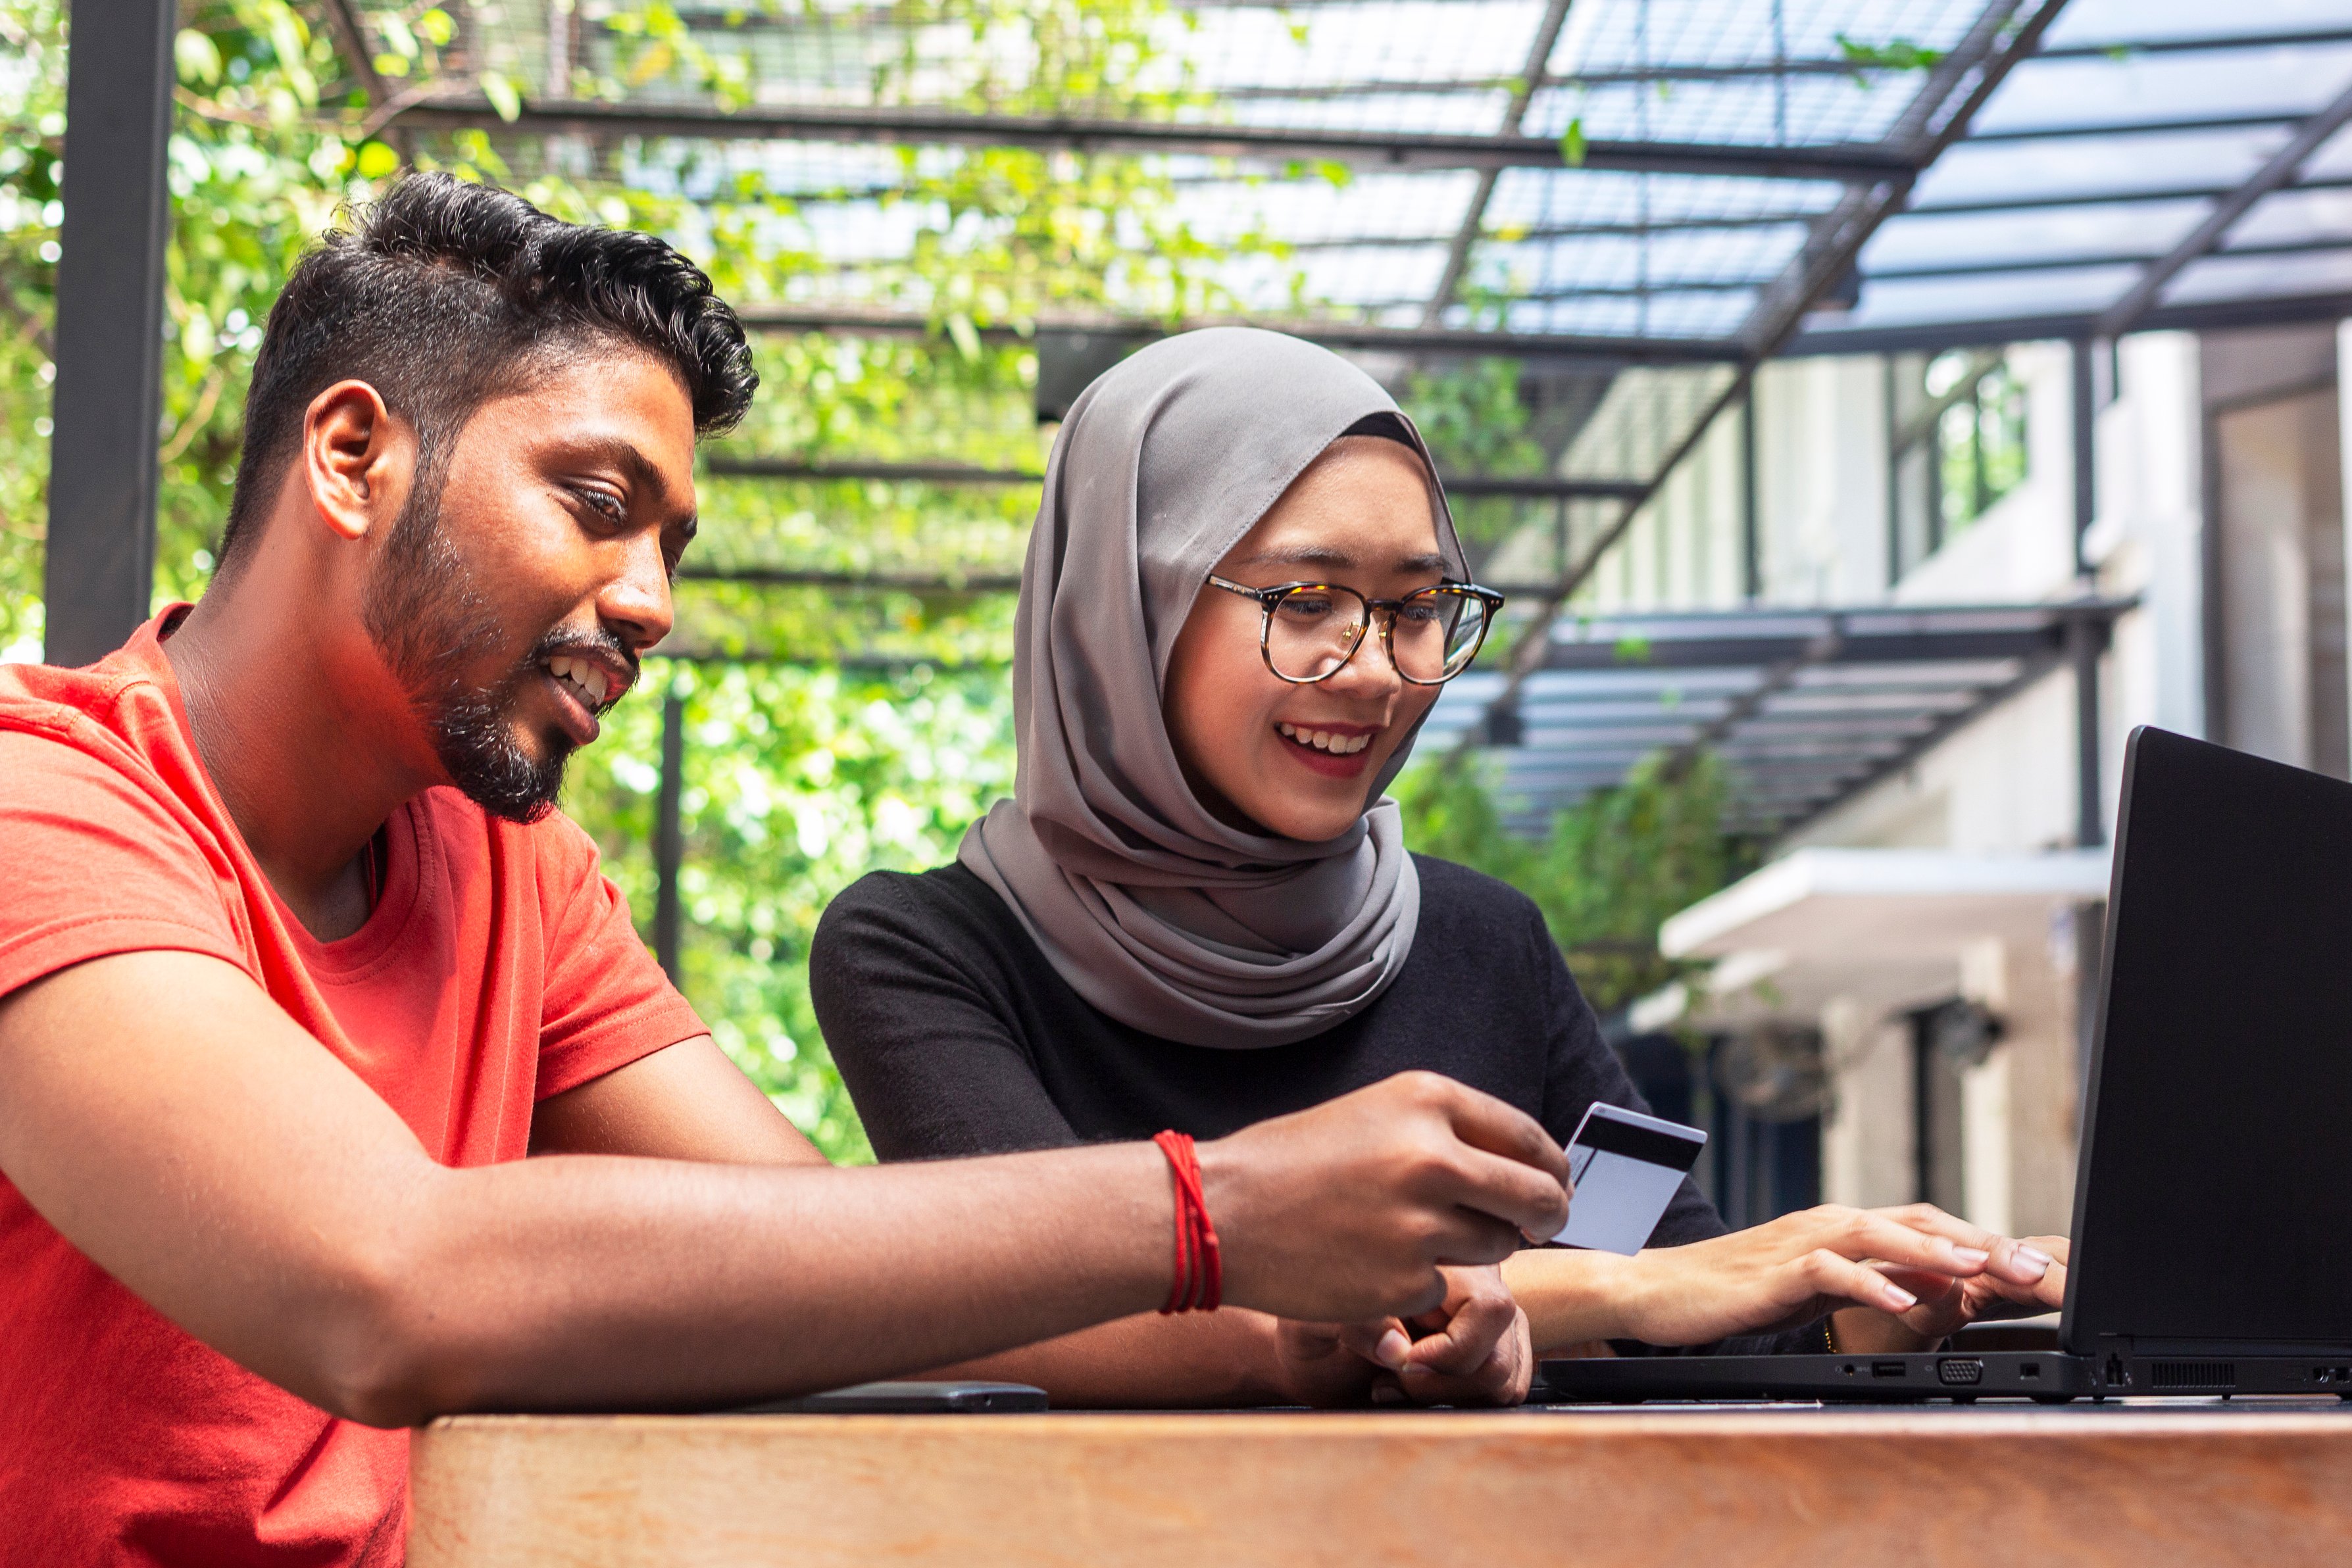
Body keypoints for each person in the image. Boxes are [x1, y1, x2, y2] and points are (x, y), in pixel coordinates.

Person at [0, 180, 1574, 1565]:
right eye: (599, 504)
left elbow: (818, 1248)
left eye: (671, 544)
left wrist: (1284, 1337)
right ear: (353, 456)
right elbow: (390, 1278)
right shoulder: (43, 809)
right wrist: (1215, 1203)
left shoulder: (512, 871)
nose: (650, 600)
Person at [811, 328, 2068, 1408]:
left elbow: (1689, 1316)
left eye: (1419, 607)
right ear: (1124, 613)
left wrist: (1871, 1305)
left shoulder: (1480, 939)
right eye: (1307, 599)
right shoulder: (927, 951)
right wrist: (1632, 1286)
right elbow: (1012, 1301)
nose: (1374, 670)